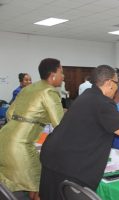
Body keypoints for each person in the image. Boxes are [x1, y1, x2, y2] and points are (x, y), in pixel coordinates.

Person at [39, 65, 119, 200]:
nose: (118, 87)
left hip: (52, 158)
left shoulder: (87, 96)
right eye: (117, 83)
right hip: (69, 166)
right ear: (109, 83)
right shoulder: (101, 102)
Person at [0, 58, 65, 200]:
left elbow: (9, 113)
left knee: (15, 184)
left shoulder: (28, 88)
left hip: (4, 137)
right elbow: (60, 124)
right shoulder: (50, 91)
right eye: (61, 72)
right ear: (52, 74)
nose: (63, 76)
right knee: (37, 185)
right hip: (20, 144)